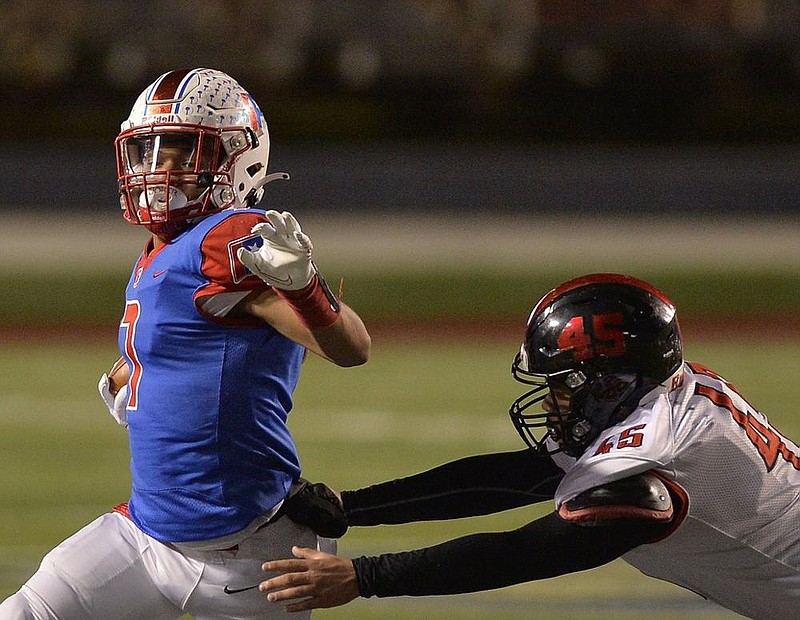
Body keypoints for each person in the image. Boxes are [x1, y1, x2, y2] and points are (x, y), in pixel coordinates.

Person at [0, 67, 370, 619]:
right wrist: (136, 372)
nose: (158, 169)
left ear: (237, 158)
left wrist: (307, 289)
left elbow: (351, 347)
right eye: (149, 151)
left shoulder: (229, 235)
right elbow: (194, 336)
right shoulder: (161, 248)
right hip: (149, 533)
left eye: (179, 150)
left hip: (249, 556)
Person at [258, 273, 800, 620]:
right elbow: (518, 477)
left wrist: (364, 577)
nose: (553, 401)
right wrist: (354, 507)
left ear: (611, 380)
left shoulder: (648, 463)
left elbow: (523, 553)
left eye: (566, 383)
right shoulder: (671, 394)